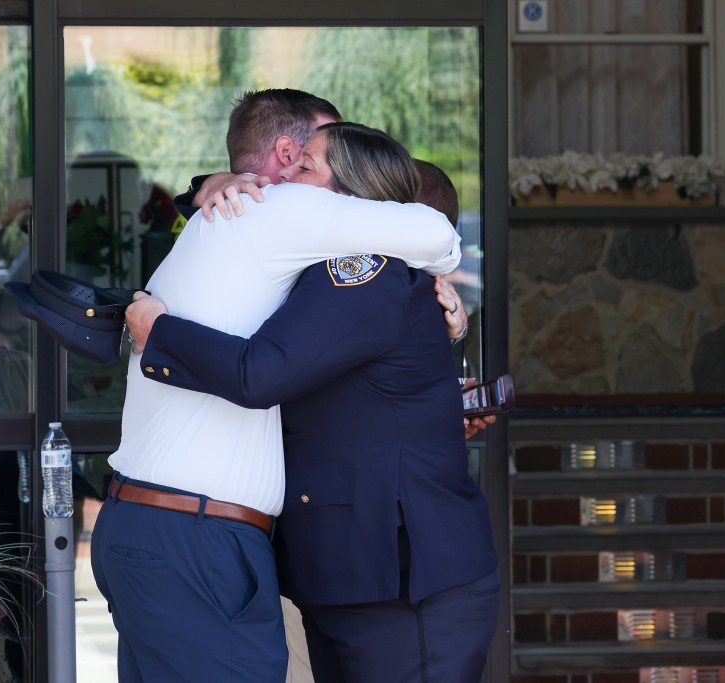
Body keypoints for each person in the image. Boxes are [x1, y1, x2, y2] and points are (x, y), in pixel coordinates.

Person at [89, 90, 462, 683]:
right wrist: (440, 275)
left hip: (158, 527)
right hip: (194, 537)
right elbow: (438, 232)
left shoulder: (229, 219)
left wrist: (213, 181)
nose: (293, 171)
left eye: (308, 163)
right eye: (300, 156)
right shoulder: (282, 209)